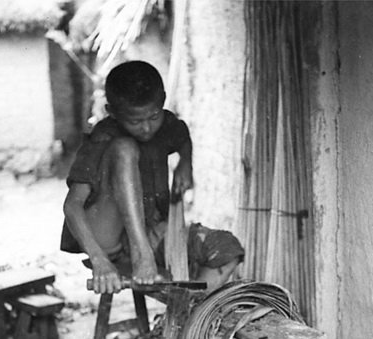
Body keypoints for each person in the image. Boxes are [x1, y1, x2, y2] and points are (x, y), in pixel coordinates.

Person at [61, 60, 244, 294]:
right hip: (108, 239)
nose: (147, 128)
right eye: (135, 121)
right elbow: (72, 206)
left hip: (152, 230)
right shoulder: (102, 138)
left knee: (227, 249)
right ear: (112, 112)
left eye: (153, 117)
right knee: (125, 148)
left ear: (163, 101)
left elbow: (181, 133)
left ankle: (191, 318)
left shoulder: (166, 124)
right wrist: (99, 260)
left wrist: (185, 163)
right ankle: (141, 253)